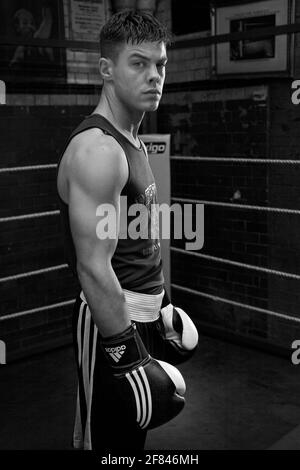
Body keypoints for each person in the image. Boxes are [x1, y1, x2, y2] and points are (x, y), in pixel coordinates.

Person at [56, 10, 198, 452]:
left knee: (130, 444)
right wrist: (127, 353)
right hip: (108, 321)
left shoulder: (131, 140)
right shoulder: (99, 150)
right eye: (138, 63)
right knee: (108, 443)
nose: (154, 76)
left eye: (160, 64)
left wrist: (162, 305)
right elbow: (95, 267)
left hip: (140, 311)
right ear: (106, 70)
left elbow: (140, 238)